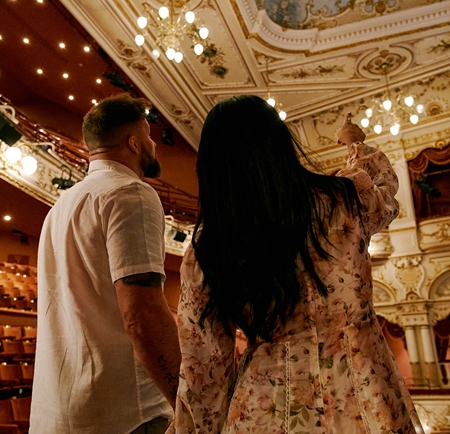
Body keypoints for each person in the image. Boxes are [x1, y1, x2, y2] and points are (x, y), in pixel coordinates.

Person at [171, 95, 424, 433]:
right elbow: (384, 189)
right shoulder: (343, 200)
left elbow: (205, 365)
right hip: (365, 393)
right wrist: (354, 143)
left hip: (264, 408)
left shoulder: (209, 247)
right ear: (280, 143)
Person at [30, 93, 181, 434]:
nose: (154, 145)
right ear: (133, 142)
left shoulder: (59, 208)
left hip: (58, 411)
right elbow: (141, 315)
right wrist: (183, 398)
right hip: (125, 412)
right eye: (149, 136)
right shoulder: (131, 193)